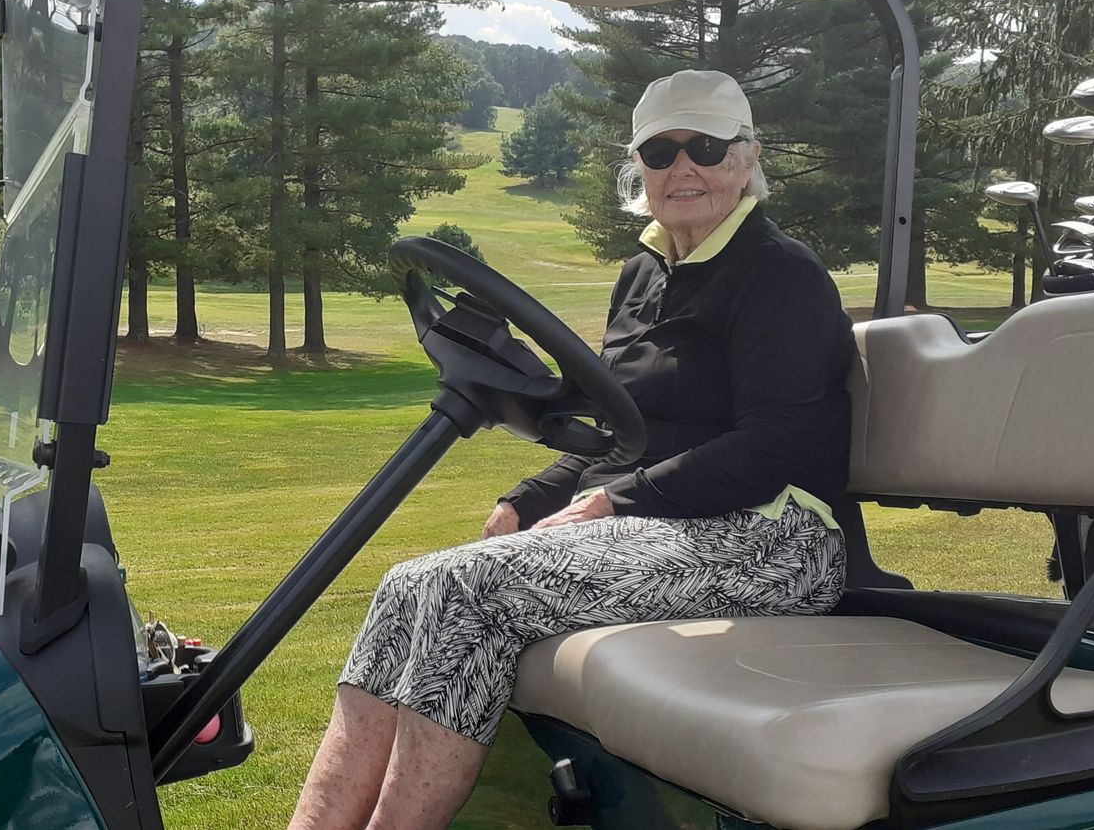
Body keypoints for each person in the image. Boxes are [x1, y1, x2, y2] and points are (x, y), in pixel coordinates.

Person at [287, 70, 855, 830]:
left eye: (706, 147)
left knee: (467, 590)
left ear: (747, 157)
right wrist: (530, 497)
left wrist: (616, 500)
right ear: (640, 167)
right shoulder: (644, 273)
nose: (683, 167)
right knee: (405, 586)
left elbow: (775, 443)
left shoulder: (779, 273)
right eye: (661, 151)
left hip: (776, 536)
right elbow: (622, 431)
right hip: (668, 523)